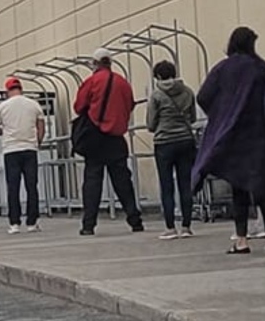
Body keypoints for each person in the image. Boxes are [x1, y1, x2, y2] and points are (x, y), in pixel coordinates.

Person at [193, 27, 265, 254]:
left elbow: (203, 96)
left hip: (233, 135)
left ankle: (242, 240)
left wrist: (222, 114)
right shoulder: (263, 68)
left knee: (238, 187)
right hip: (262, 135)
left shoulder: (223, 68)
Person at [73, 48, 144, 236]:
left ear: (95, 64)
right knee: (122, 181)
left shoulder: (91, 81)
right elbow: (129, 106)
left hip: (95, 138)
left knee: (92, 182)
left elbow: (79, 106)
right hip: (116, 139)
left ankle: (88, 225)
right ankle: (135, 220)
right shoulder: (123, 83)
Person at [146, 60, 198, 240]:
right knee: (185, 184)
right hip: (185, 140)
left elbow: (151, 124)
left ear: (158, 77)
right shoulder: (188, 92)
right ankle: (186, 227)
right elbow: (192, 118)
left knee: (166, 185)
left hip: (164, 143)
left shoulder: (156, 96)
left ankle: (170, 228)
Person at [0, 77, 45, 234]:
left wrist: (5, 131)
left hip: (11, 150)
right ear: (21, 88)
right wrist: (37, 142)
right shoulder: (33, 104)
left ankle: (14, 223)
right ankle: (32, 223)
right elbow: (41, 127)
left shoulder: (2, 107)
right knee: (31, 186)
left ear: (7, 90)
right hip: (30, 149)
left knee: (13, 187)